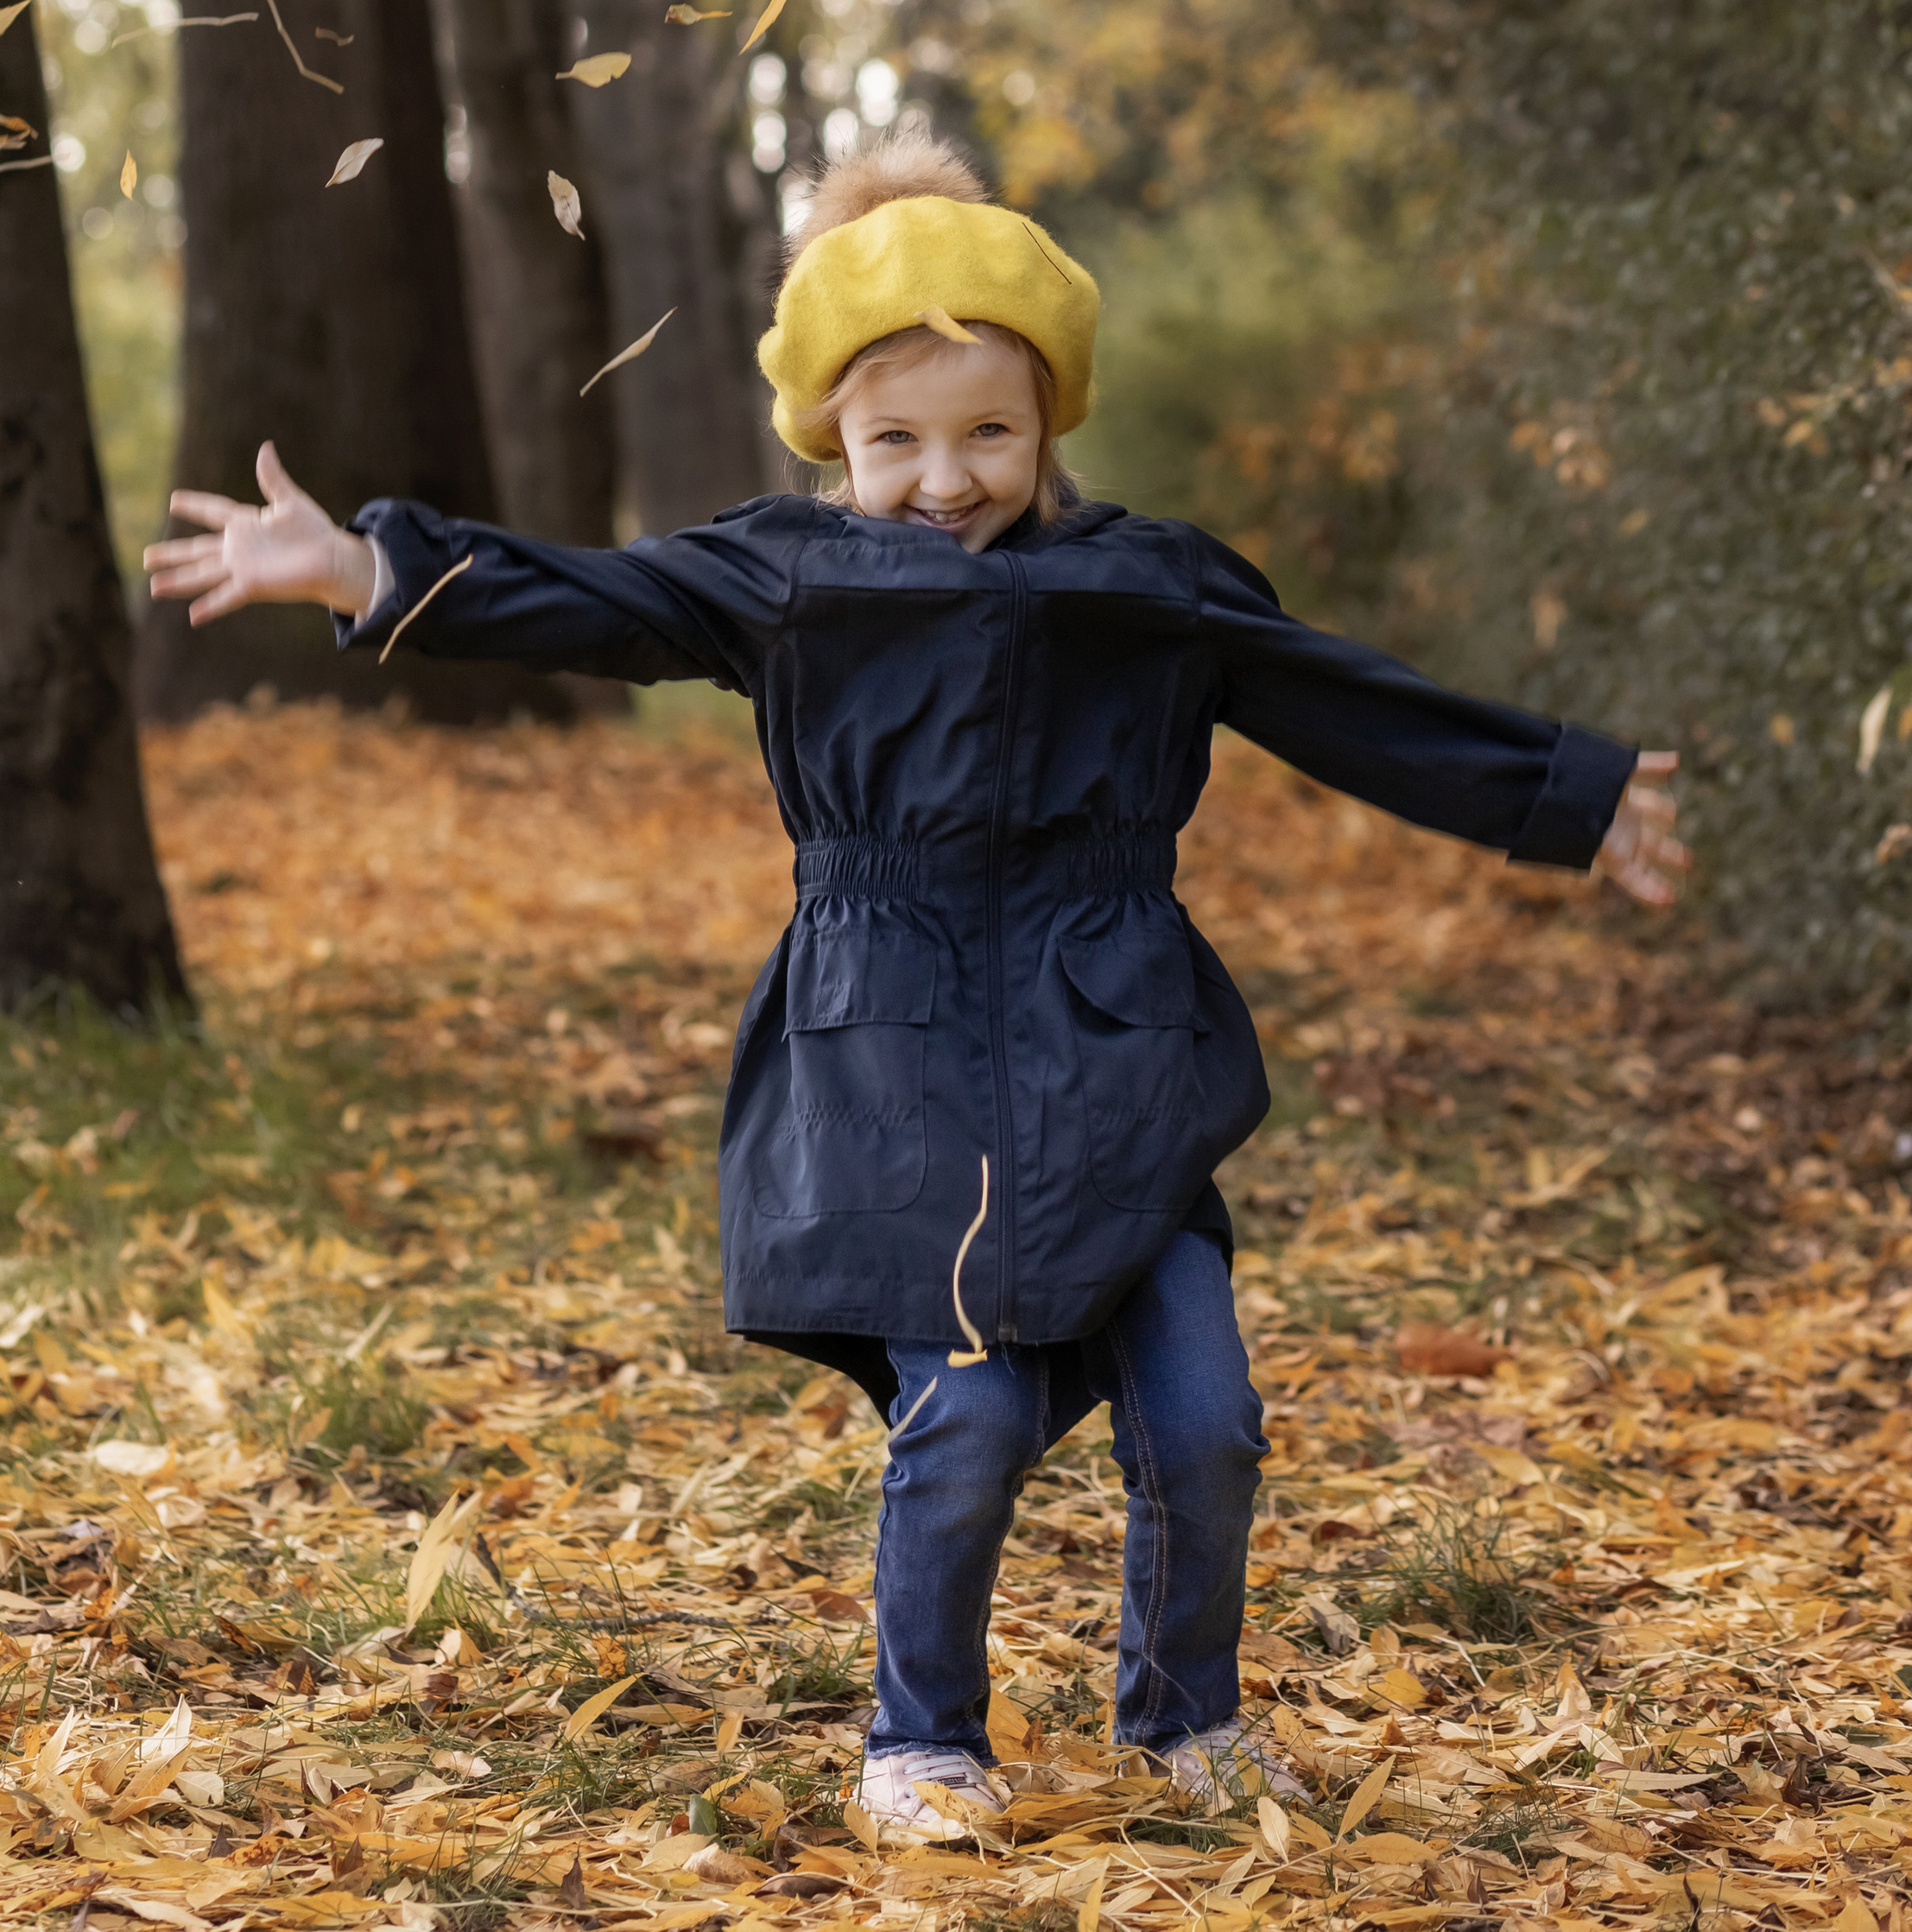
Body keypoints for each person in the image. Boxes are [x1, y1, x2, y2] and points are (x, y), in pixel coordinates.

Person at [145, 134, 1685, 1840]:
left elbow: (1345, 703)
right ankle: (918, 1740)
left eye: (985, 434)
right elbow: (590, 600)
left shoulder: (1146, 586)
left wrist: (1572, 793)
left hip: (1117, 1051)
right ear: (832, 439)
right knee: (967, 1412)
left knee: (1206, 1415)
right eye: (894, 442)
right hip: (896, 1059)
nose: (942, 478)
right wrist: (363, 568)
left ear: (1047, 428)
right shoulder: (790, 578)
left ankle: (1181, 1720)